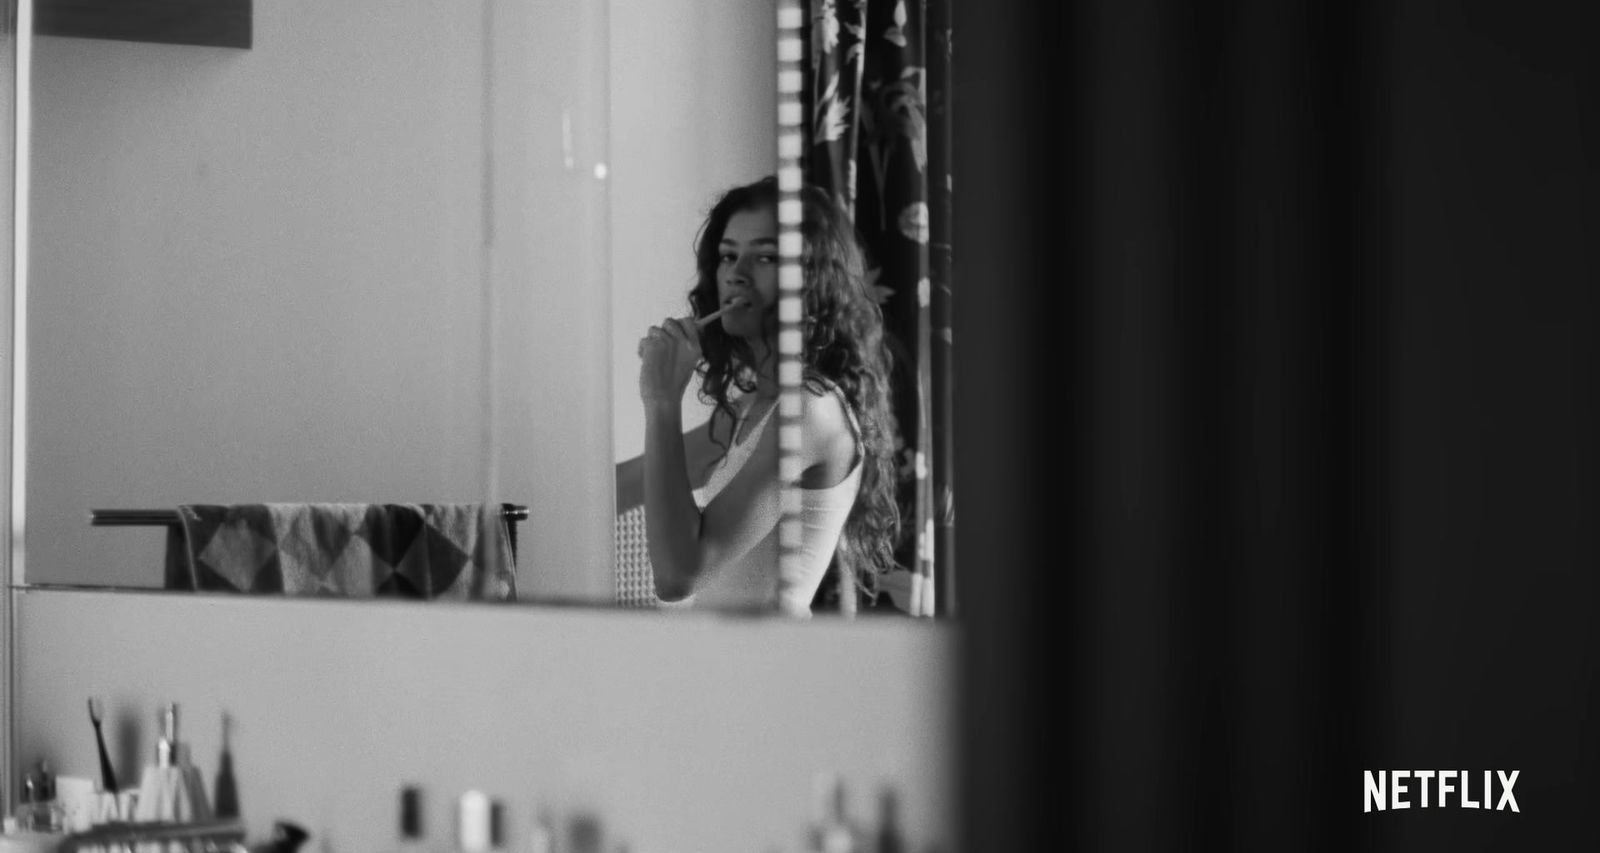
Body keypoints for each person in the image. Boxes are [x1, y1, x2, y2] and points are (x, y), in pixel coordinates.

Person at [618, 176, 901, 617]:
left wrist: (661, 400)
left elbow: (678, 575)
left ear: (811, 278)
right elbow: (621, 487)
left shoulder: (808, 408)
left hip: (766, 675)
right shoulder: (755, 406)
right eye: (728, 255)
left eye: (765, 256)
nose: (736, 273)